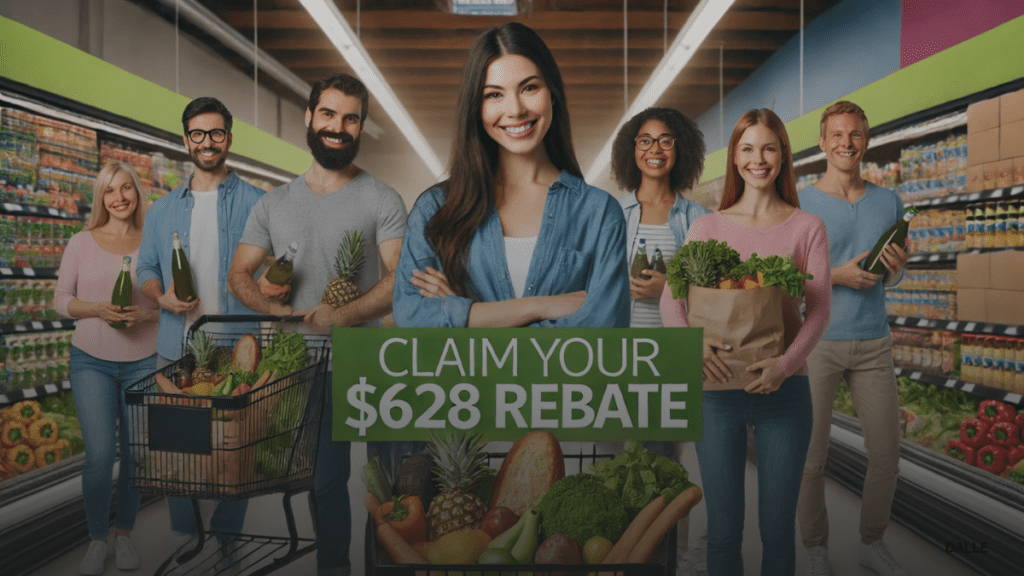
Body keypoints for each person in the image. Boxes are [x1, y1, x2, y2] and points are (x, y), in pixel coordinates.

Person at [227, 73, 412, 576]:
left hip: (369, 362)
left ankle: (387, 567)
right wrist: (270, 304)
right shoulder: (273, 203)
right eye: (328, 114)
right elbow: (238, 275)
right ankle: (334, 569)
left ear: (361, 127)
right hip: (302, 369)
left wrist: (343, 315)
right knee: (325, 481)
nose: (338, 126)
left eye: (350, 118)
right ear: (310, 118)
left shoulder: (382, 198)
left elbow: (400, 278)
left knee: (386, 481)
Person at [660, 108, 832, 576]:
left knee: (778, 532)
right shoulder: (708, 227)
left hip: (785, 392)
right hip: (718, 393)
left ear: (783, 157)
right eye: (749, 149)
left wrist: (786, 363)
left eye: (769, 148)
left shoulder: (807, 226)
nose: (759, 159)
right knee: (723, 531)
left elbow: (819, 308)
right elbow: (670, 302)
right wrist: (692, 345)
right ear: (735, 158)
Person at [392, 22, 629, 329]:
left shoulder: (599, 213)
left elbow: (603, 330)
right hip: (464, 381)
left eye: (529, 88)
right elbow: (413, 317)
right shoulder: (435, 209)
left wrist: (466, 316)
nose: (515, 110)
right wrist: (538, 307)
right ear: (476, 107)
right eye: (494, 95)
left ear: (552, 93)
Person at [137, 97, 265, 563]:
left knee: (234, 449)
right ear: (185, 139)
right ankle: (188, 537)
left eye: (216, 133)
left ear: (229, 138)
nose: (206, 142)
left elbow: (273, 272)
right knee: (177, 448)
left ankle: (226, 535)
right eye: (197, 133)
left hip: (235, 345)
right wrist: (161, 296)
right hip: (177, 341)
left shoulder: (257, 203)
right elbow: (146, 267)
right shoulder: (162, 209)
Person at [796, 101, 910, 576]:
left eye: (856, 135)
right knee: (812, 459)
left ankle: (871, 541)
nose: (847, 143)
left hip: (873, 342)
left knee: (886, 456)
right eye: (837, 135)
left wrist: (898, 271)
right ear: (822, 142)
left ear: (867, 140)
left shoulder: (889, 202)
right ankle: (817, 546)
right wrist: (835, 276)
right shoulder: (801, 202)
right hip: (818, 341)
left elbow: (895, 276)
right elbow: (788, 278)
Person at [606, 106, 709, 569]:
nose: (655, 149)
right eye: (645, 141)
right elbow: (592, 282)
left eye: (665, 140)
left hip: (673, 355)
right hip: (620, 354)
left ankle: (672, 557)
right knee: (617, 463)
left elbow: (712, 292)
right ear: (633, 151)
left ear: (679, 149)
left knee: (667, 464)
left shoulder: (698, 217)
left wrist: (669, 287)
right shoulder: (612, 214)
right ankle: (618, 553)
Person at [54, 162, 159, 575]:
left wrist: (145, 316)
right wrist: (97, 308)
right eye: (110, 190)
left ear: (137, 192)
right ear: (101, 198)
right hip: (91, 361)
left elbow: (169, 303)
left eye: (126, 188)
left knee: (136, 456)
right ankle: (98, 539)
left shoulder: (152, 242)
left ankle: (125, 536)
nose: (119, 197)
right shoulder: (81, 241)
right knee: (99, 456)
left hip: (144, 362)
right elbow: (61, 300)